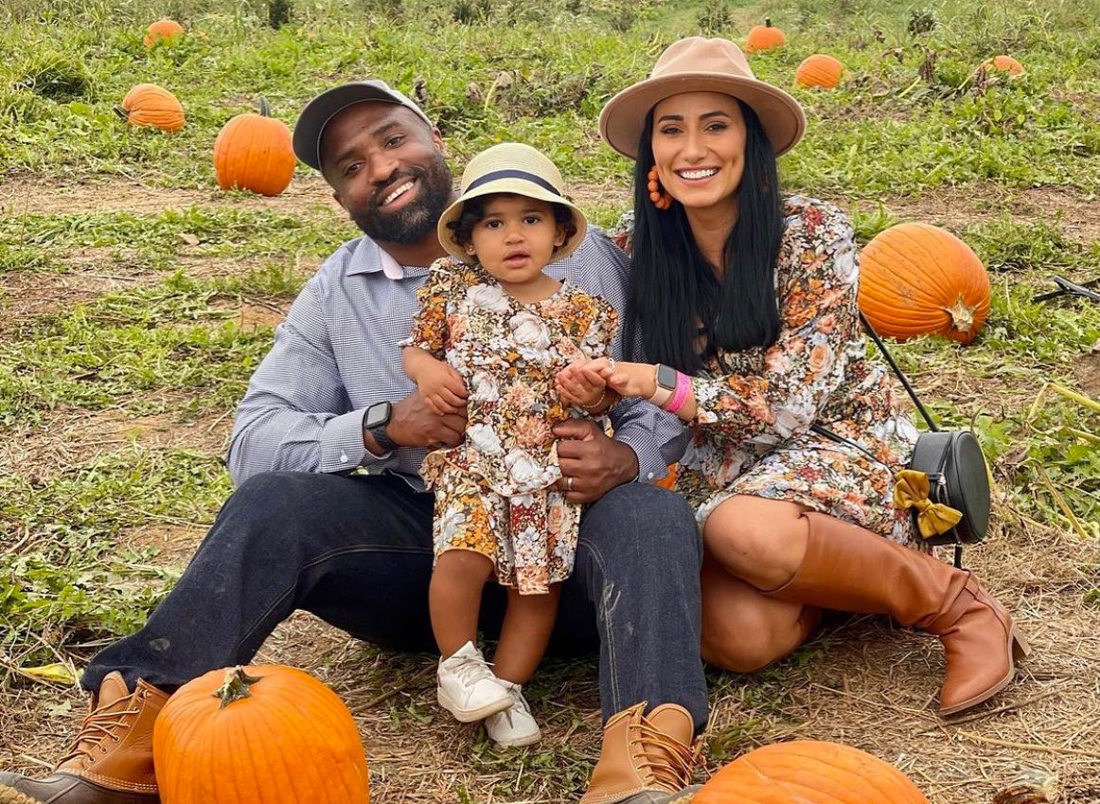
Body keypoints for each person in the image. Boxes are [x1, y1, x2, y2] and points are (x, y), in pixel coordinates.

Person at [0, 82, 705, 804]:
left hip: (566, 550)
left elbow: (663, 388)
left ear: (435, 141)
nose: (381, 167)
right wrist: (380, 426)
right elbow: (254, 441)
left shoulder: (583, 261)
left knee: (652, 515)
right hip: (426, 551)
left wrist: (626, 455)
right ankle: (134, 739)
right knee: (273, 505)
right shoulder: (339, 290)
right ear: (340, 198)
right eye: (351, 166)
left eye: (393, 140)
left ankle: (643, 759)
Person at [591, 36, 1029, 716]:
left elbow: (789, 408)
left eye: (715, 126)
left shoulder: (812, 233)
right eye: (671, 130)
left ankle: (960, 608)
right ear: (652, 151)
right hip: (722, 473)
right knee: (737, 637)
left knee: (743, 530)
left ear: (751, 139)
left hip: (836, 445)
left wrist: (660, 384)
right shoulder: (630, 246)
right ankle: (840, 578)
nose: (692, 149)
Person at [403, 142, 621, 748]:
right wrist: (426, 371)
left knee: (535, 589)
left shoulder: (585, 312)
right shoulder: (451, 287)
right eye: (494, 223)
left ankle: (509, 687)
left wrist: (593, 394)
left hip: (544, 474)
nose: (514, 235)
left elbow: (602, 400)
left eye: (531, 219)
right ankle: (459, 666)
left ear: (559, 232)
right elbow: (416, 347)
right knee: (462, 555)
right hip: (474, 459)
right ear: (470, 241)